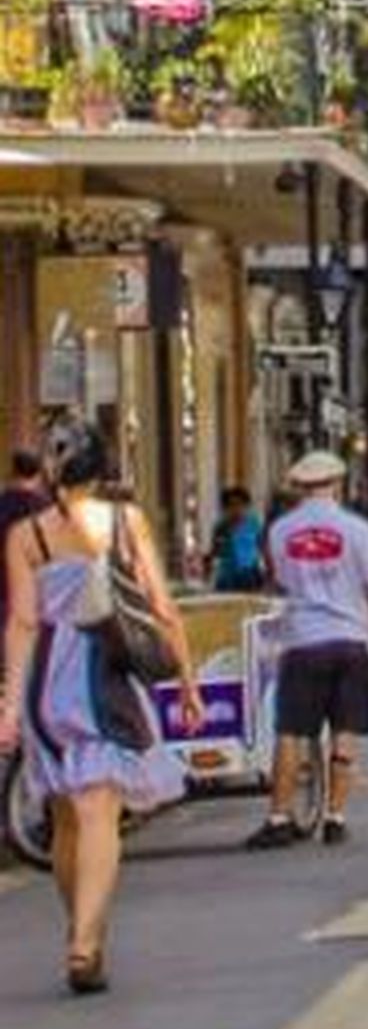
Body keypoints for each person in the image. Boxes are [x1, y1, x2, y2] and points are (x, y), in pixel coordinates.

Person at [0, 419, 203, 994]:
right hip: (102, 677)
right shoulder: (124, 521)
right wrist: (185, 680)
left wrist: (10, 706)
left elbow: (20, 622)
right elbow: (160, 605)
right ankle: (86, 941)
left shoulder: (25, 536)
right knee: (98, 810)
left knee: (66, 813)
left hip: (45, 683)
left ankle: (80, 929)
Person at [245, 447, 368, 851]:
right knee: (344, 728)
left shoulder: (279, 530)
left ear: (299, 488)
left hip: (303, 638)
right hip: (350, 637)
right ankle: (335, 817)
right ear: (336, 485)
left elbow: (279, 580)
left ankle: (278, 816)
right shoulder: (356, 529)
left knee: (290, 730)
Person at [0, 447, 45, 638]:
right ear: (39, 473)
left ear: (12, 472)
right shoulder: (47, 509)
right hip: (38, 594)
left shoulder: (2, 505)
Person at [207, 483, 266, 593]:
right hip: (227, 577)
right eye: (231, 505)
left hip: (250, 574)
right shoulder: (221, 526)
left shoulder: (254, 524)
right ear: (226, 508)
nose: (236, 509)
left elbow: (262, 546)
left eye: (240, 504)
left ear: (246, 506)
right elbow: (215, 551)